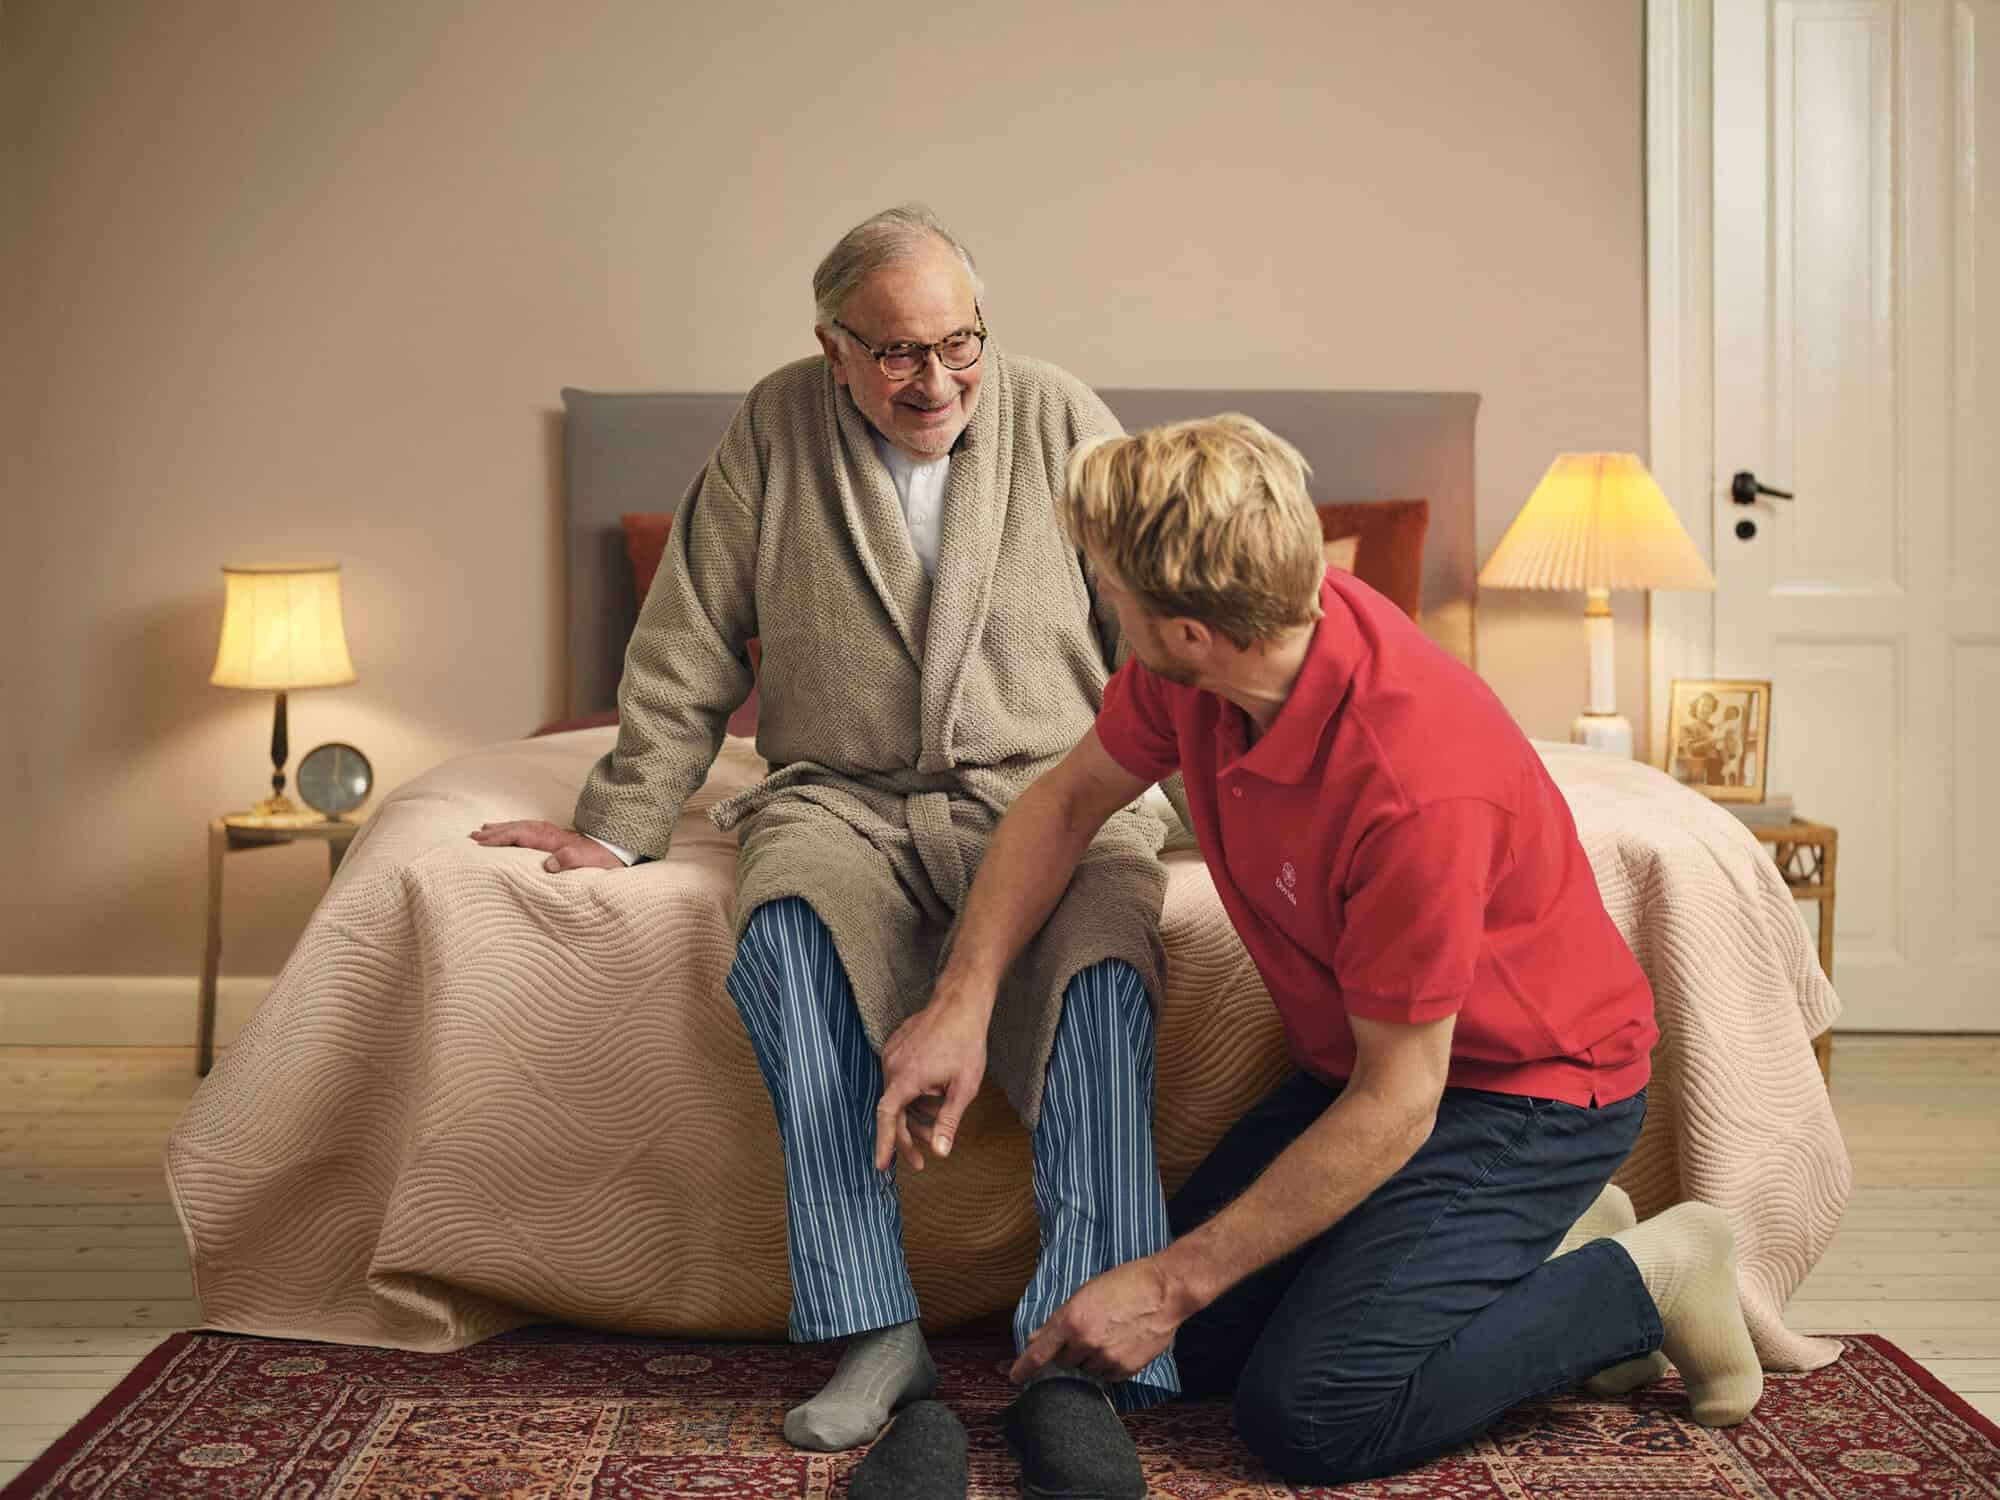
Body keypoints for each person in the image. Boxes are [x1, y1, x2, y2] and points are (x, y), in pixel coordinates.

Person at [876, 414, 1764, 1486]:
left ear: (1193, 628)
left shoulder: (1414, 789)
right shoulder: (1206, 664)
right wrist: (961, 1005)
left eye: (1106, 584)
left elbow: (1401, 1102)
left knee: (1309, 1414)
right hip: (1366, 1069)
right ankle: (1547, 1244)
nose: (1102, 601)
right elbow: (1062, 805)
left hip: (1527, 1095)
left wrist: (1166, 1281)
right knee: (1180, 1355)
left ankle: (1643, 1276)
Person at [470, 205, 1177, 1496]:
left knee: (1102, 970)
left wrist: (1204, 812)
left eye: (960, 343)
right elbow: (685, 644)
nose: (937, 380)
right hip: (840, 796)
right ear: (833, 346)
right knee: (785, 935)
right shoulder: (771, 430)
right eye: (899, 352)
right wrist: (616, 829)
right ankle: (873, 1328)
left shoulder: (1065, 419)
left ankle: (1083, 1354)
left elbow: (1161, 640)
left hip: (1053, 787)